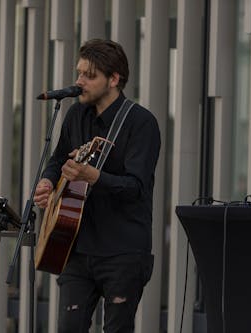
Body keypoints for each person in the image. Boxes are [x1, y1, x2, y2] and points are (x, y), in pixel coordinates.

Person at [33, 39, 161, 333]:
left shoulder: (141, 123)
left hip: (123, 251)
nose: (79, 82)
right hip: (75, 246)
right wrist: (47, 182)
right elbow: (57, 159)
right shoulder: (76, 114)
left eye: (89, 76)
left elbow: (136, 187)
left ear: (114, 79)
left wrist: (92, 176)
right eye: (79, 73)